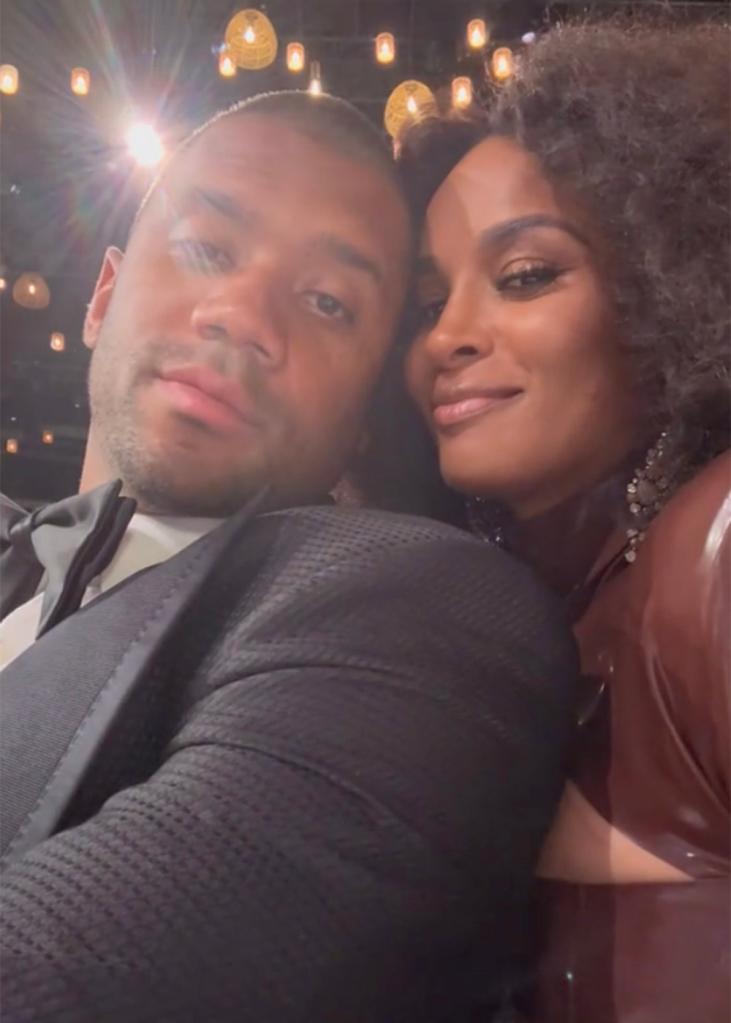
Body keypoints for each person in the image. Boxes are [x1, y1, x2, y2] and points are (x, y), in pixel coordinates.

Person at [0, 91, 578, 1022]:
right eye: (205, 248)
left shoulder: (420, 611)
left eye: (325, 301)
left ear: (364, 418)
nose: (241, 315)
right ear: (103, 294)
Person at [395, 19, 730, 1023]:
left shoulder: (710, 556)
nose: (447, 338)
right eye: (424, 302)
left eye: (525, 274)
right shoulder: (512, 623)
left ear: (665, 287)